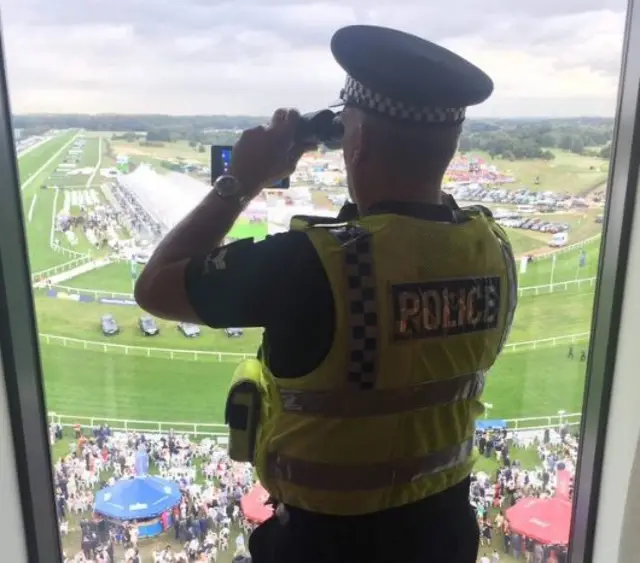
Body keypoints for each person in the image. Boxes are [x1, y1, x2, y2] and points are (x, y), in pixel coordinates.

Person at [135, 24, 517, 563]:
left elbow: (155, 286)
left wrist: (241, 181)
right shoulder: (492, 249)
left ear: (354, 143)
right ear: (450, 146)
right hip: (445, 535)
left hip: (323, 544)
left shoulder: (313, 264)